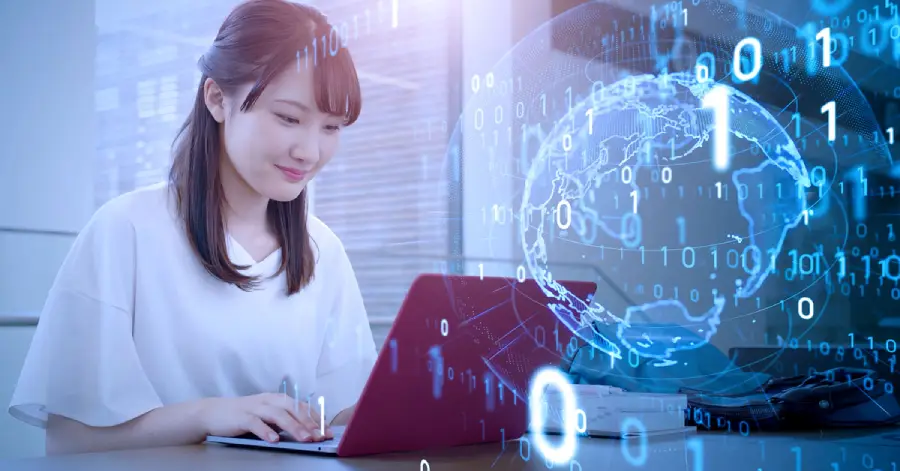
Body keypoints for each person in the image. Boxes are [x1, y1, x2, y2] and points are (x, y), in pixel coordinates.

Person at [7, 0, 377, 455]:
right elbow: (68, 441)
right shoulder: (126, 230)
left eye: (332, 127)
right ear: (218, 99)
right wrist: (208, 415)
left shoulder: (324, 250)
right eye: (289, 118)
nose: (310, 151)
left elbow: (337, 413)